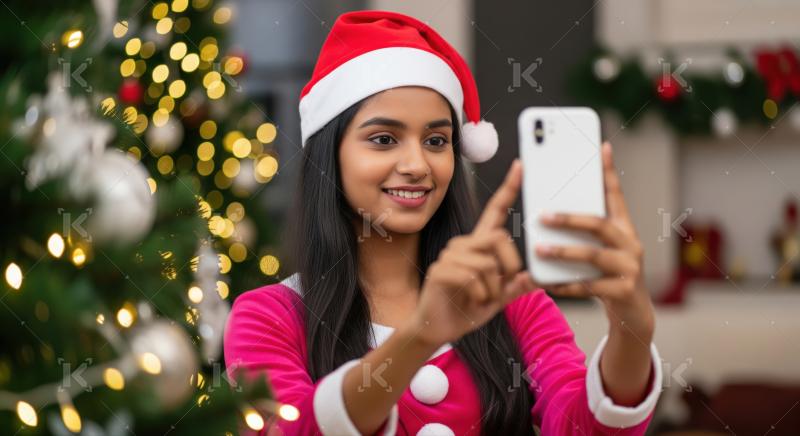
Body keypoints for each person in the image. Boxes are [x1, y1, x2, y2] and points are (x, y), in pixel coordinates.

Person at [224, 10, 662, 436]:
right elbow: (294, 429)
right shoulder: (268, 317)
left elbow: (582, 429)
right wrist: (420, 336)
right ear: (329, 155)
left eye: (437, 140)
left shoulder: (516, 305)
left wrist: (633, 330)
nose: (417, 165)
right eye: (383, 139)